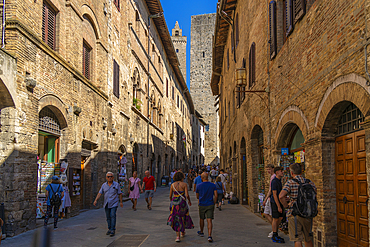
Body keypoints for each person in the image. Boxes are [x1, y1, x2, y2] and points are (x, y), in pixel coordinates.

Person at [279, 163, 317, 247]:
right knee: (307, 238)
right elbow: (315, 195)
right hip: (308, 212)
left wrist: (286, 205)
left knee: (297, 238)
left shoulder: (290, 182)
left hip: (294, 212)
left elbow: (281, 196)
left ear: (291, 173)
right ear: (301, 171)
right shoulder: (309, 182)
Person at [94, 172, 123, 237]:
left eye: (111, 176)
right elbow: (100, 193)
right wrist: (96, 200)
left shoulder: (116, 184)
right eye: (108, 176)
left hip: (114, 203)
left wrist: (121, 202)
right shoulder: (104, 185)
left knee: (112, 215)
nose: (110, 178)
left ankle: (113, 229)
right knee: (108, 217)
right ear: (106, 178)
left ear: (113, 177)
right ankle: (109, 228)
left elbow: (120, 193)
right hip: (106, 203)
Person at [167, 171, 194, 242]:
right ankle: (183, 231)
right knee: (183, 216)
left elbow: (170, 195)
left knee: (176, 218)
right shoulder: (184, 184)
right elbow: (187, 195)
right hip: (182, 202)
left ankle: (177, 237)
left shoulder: (172, 185)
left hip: (174, 203)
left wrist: (172, 201)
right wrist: (189, 201)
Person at [196, 172, 217, 243]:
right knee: (209, 220)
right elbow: (216, 195)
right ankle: (209, 235)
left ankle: (201, 232)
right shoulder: (213, 185)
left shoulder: (198, 186)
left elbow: (197, 196)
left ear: (202, 178)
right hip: (210, 204)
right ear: (207, 177)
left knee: (202, 218)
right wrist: (214, 202)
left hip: (202, 204)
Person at [270, 166, 285, 243]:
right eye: (281, 171)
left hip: (280, 201)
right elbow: (275, 194)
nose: (282, 172)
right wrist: (278, 206)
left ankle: (275, 231)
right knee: (275, 218)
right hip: (275, 202)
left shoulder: (279, 180)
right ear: (277, 172)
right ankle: (274, 233)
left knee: (281, 217)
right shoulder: (274, 181)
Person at [262, 164, 275, 237]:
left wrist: (266, 198)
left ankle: (274, 230)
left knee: (268, 214)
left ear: (273, 169)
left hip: (270, 198)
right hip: (270, 198)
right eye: (267, 169)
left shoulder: (273, 177)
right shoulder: (272, 177)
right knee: (266, 213)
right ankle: (274, 229)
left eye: (269, 169)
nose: (268, 171)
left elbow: (271, 190)